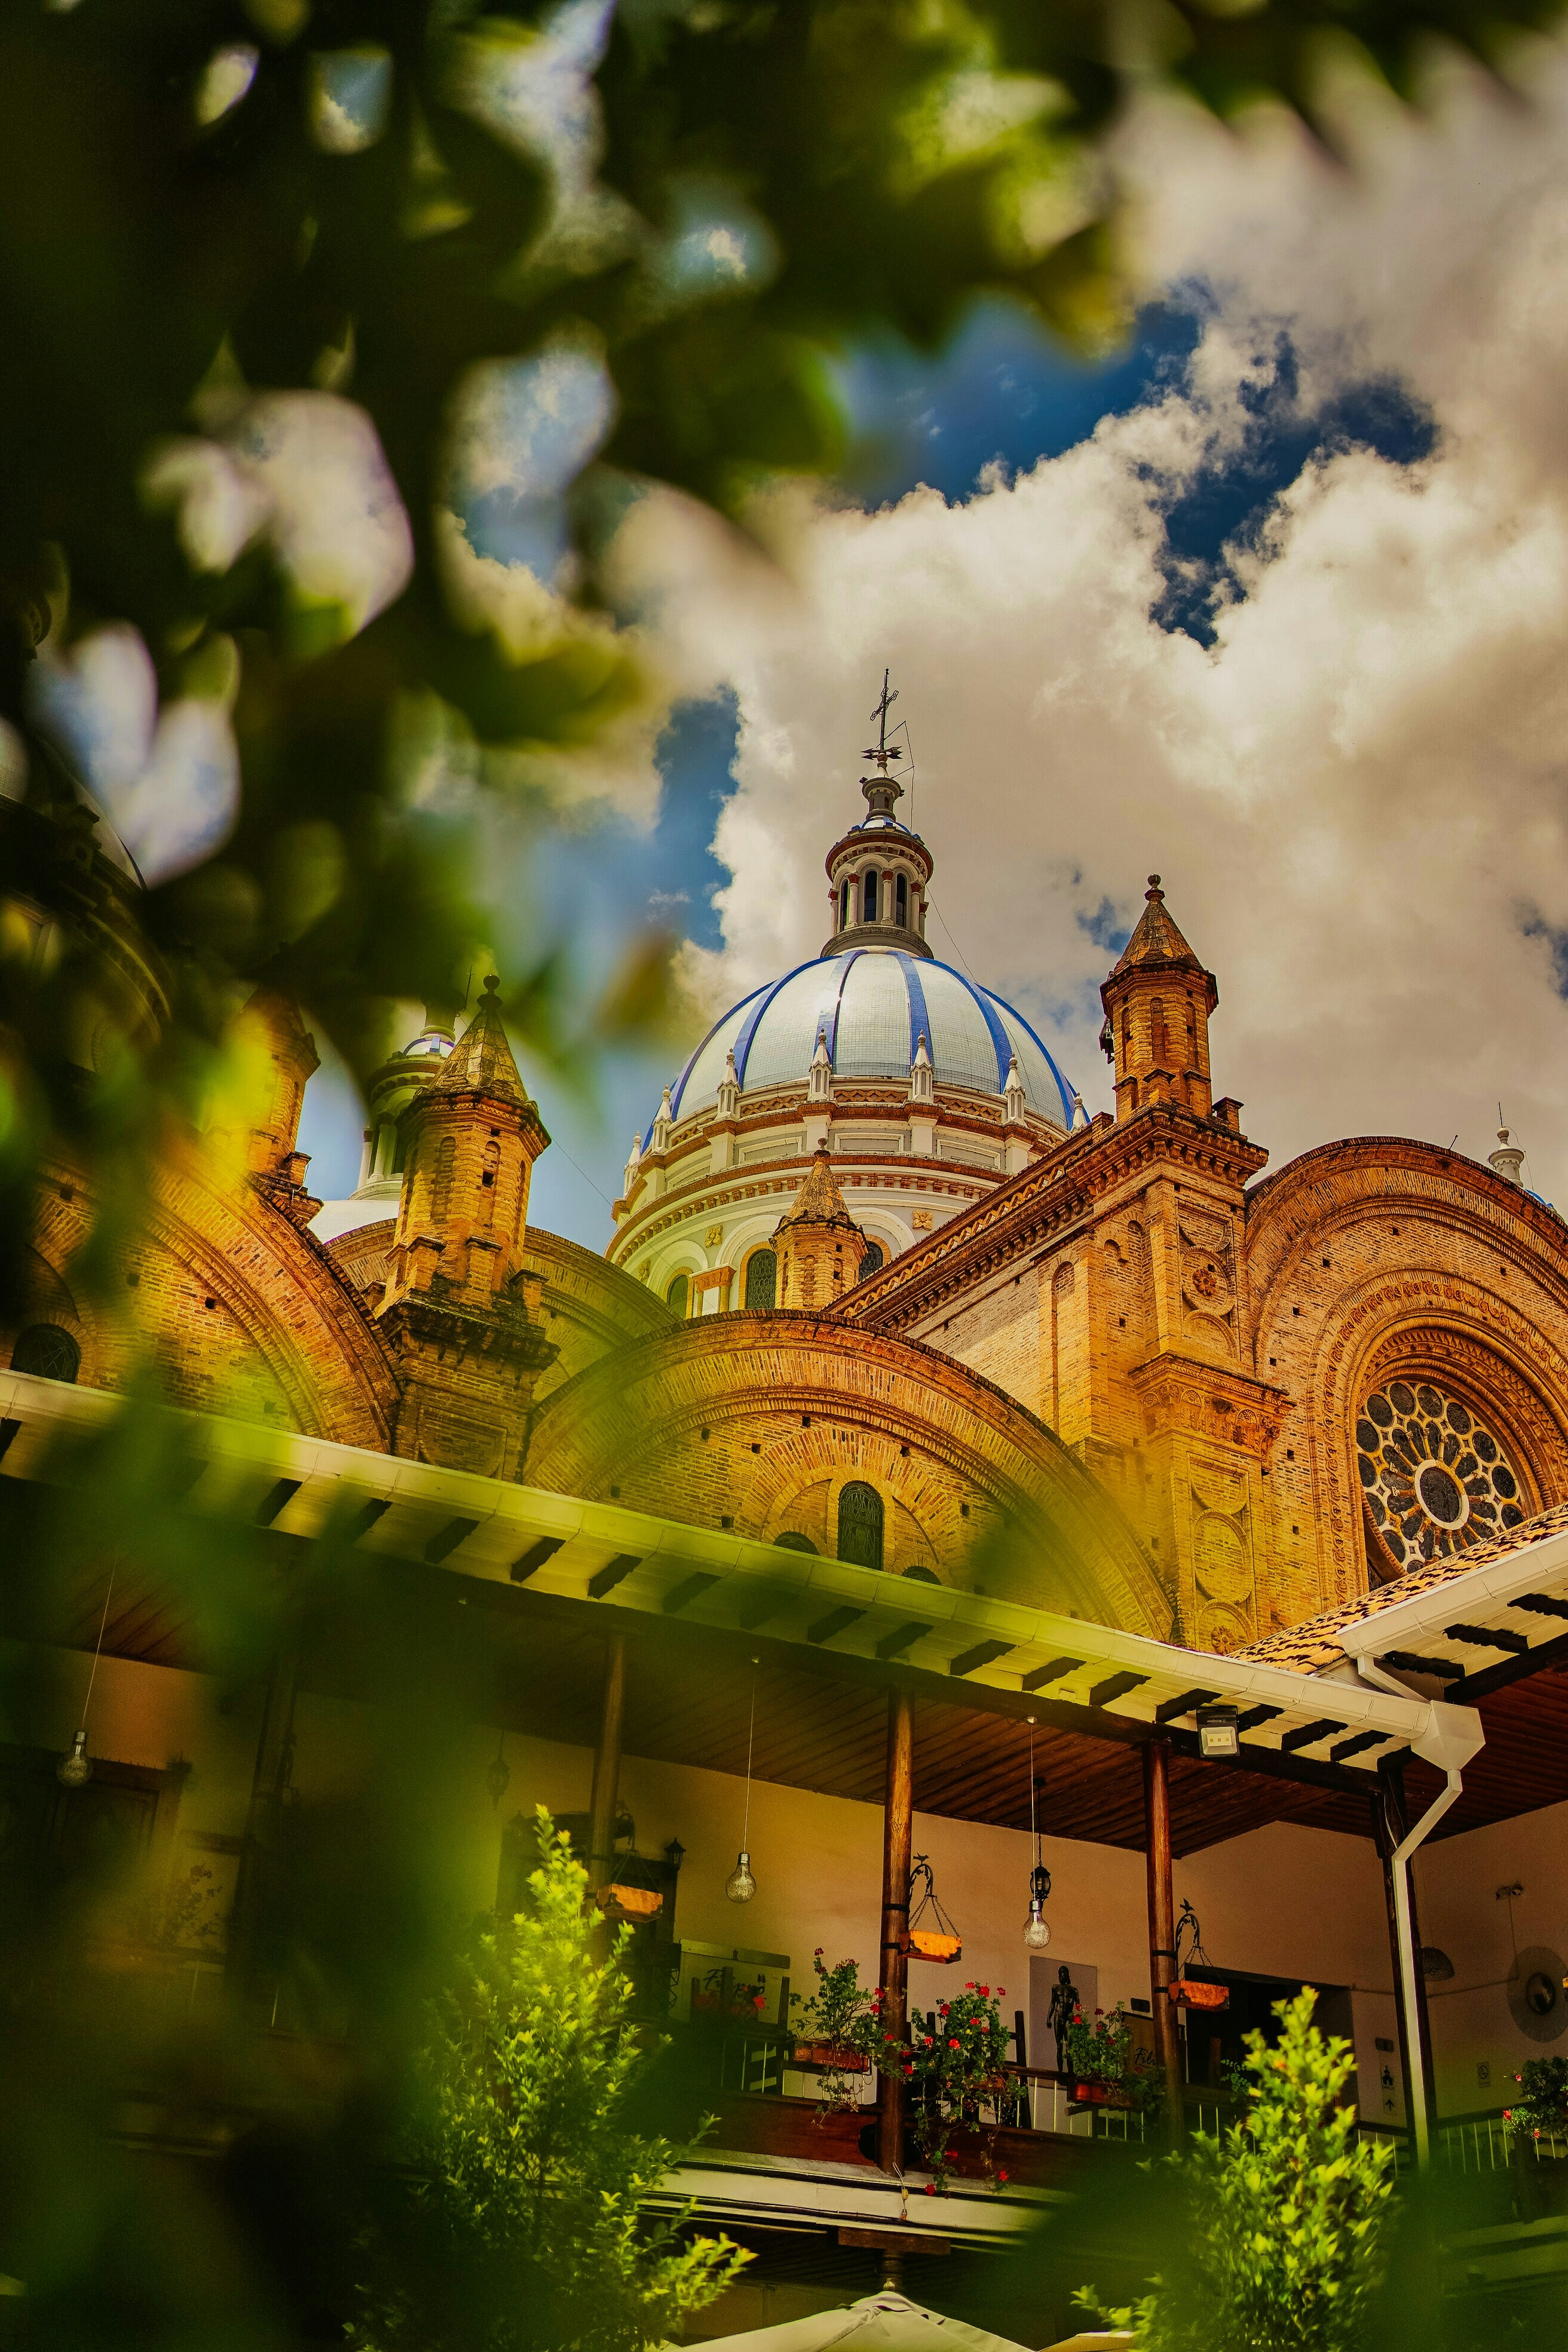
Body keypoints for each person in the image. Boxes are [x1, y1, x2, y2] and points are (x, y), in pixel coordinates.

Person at [1047, 1963, 1080, 2073]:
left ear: (1067, 1975)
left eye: (1063, 1974)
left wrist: (1079, 2020)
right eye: (1060, 1974)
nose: (1061, 1976)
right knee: (1059, 2046)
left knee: (1069, 2046)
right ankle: (1060, 2072)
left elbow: (1078, 2005)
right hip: (1058, 2016)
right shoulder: (1055, 1988)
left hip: (1068, 2018)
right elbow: (1052, 2004)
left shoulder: (1073, 1990)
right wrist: (1049, 2018)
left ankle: (1071, 2072)